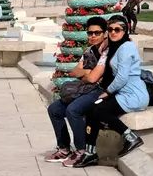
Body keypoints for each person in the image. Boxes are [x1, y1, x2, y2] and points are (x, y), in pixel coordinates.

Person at [84, 15, 151, 163]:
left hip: (133, 95)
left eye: (117, 29)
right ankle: (90, 152)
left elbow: (122, 77)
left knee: (99, 110)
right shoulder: (120, 46)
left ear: (125, 30)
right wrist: (106, 42)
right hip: (125, 94)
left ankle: (131, 138)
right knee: (92, 109)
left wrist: (107, 92)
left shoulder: (126, 48)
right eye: (110, 29)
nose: (113, 32)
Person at [45, 16, 109, 166]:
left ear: (105, 33)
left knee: (73, 110)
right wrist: (88, 72)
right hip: (87, 88)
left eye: (97, 33)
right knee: (54, 109)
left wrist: (88, 75)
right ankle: (64, 148)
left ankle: (82, 151)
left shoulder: (108, 51)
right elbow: (75, 71)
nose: (93, 36)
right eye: (90, 33)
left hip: (102, 91)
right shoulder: (89, 51)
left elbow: (94, 78)